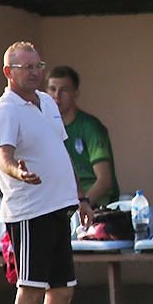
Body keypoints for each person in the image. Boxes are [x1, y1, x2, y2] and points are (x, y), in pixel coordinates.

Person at [0, 42, 93, 304]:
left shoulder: (46, 102)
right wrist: (19, 172)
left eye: (37, 66)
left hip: (59, 208)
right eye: (26, 67)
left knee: (62, 290)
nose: (34, 72)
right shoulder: (4, 110)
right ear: (9, 72)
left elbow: (62, 153)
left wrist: (81, 196)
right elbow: (2, 155)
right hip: (30, 211)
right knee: (31, 287)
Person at [46, 65, 120, 207]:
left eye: (64, 90)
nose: (57, 96)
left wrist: (81, 206)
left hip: (96, 207)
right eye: (52, 89)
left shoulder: (90, 127)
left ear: (75, 94)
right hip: (62, 206)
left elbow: (104, 181)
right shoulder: (47, 129)